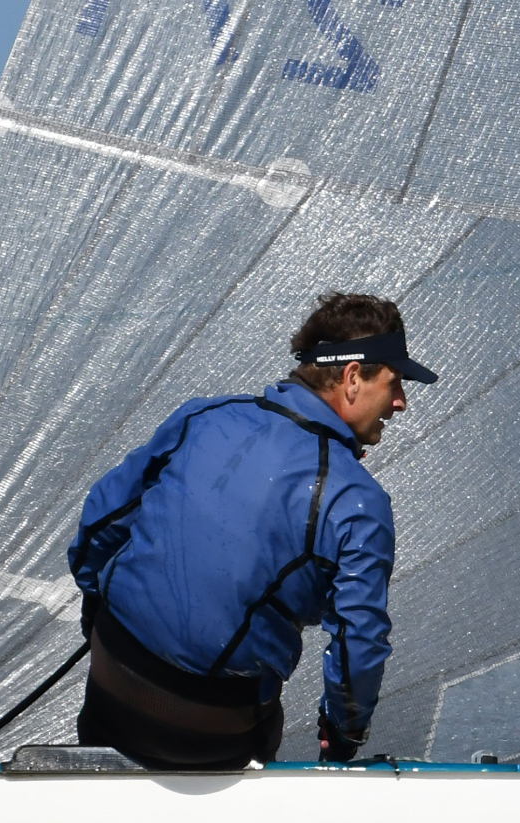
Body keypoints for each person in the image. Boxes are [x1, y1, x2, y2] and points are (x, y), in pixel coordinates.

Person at [64, 291, 433, 770]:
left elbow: (101, 520)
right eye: (394, 382)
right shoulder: (358, 501)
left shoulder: (204, 416)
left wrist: (96, 612)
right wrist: (344, 734)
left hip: (111, 681)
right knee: (257, 719)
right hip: (210, 730)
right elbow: (358, 641)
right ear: (351, 378)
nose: (401, 402)